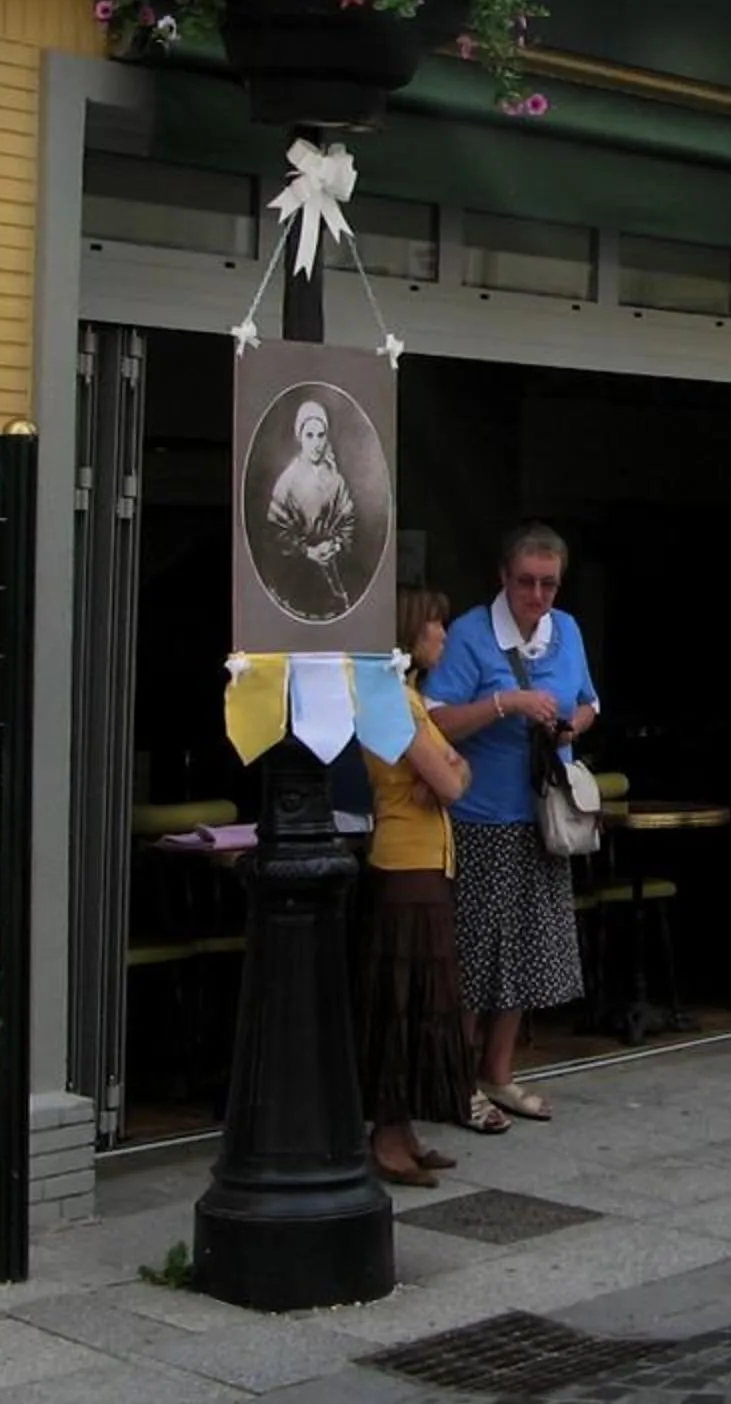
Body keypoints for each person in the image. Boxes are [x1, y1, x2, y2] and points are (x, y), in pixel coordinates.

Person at [424, 525, 600, 1123]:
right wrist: (507, 704)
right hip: (482, 818)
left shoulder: (567, 630)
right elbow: (436, 721)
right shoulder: (471, 635)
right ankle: (456, 1080)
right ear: (503, 577)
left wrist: (570, 724)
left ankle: (498, 1074)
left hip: (543, 816)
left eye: (549, 584)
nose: (538, 595)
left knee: (525, 951)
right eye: (526, 582)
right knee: (476, 956)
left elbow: (589, 701)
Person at [359, 590, 485, 1184]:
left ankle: (404, 1127)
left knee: (425, 1000)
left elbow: (462, 768)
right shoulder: (391, 701)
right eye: (436, 624)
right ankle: (386, 1133)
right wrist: (446, 774)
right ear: (413, 633)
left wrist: (448, 772)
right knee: (404, 999)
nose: (443, 634)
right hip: (406, 866)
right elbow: (452, 781)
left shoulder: (410, 699)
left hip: (430, 862)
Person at [264, 398, 360, 619]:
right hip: (297, 576)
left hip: (333, 571)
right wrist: (308, 551)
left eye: (320, 435)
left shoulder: (336, 479)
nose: (316, 442)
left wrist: (334, 545)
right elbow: (275, 531)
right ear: (300, 437)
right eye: (310, 435)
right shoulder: (287, 481)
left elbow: (348, 519)